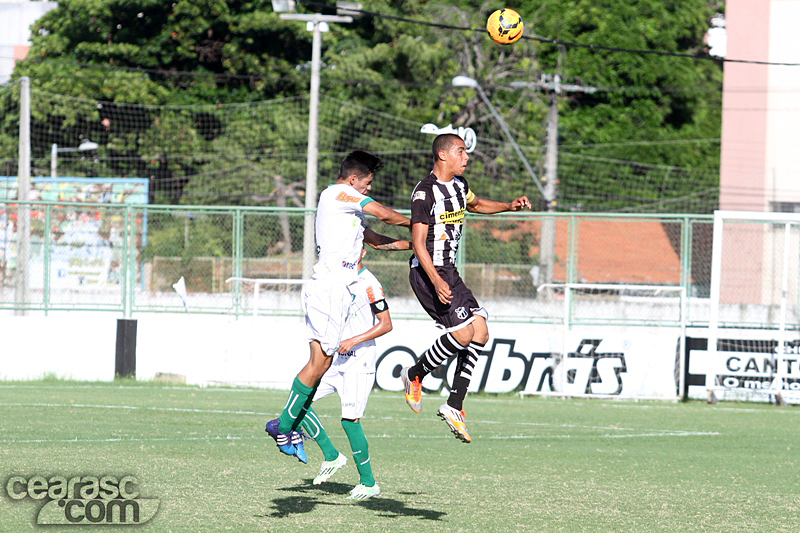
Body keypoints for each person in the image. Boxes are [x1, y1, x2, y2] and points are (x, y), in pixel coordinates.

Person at [266, 150, 410, 463]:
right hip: (330, 288)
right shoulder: (338, 193)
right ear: (354, 178)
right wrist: (417, 222)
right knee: (320, 363)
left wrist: (417, 243)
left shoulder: (350, 210)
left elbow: (376, 240)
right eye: (368, 182)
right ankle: (285, 426)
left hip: (335, 290)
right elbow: (384, 214)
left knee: (321, 362)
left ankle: (286, 425)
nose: (369, 188)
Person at [401, 133, 532, 443]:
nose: (466, 157)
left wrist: (508, 207)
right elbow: (418, 244)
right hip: (427, 272)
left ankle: (454, 405)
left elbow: (477, 204)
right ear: (443, 155)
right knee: (462, 334)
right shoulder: (424, 193)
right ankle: (415, 373)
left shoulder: (459, 186)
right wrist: (435, 280)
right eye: (460, 152)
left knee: (481, 332)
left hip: (450, 271)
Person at [299, 245, 407, 500]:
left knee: (349, 421)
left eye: (355, 248)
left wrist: (355, 339)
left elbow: (386, 324)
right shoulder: (336, 280)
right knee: (299, 404)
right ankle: (332, 456)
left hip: (359, 360)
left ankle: (369, 482)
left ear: (363, 253)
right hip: (335, 359)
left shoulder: (369, 283)